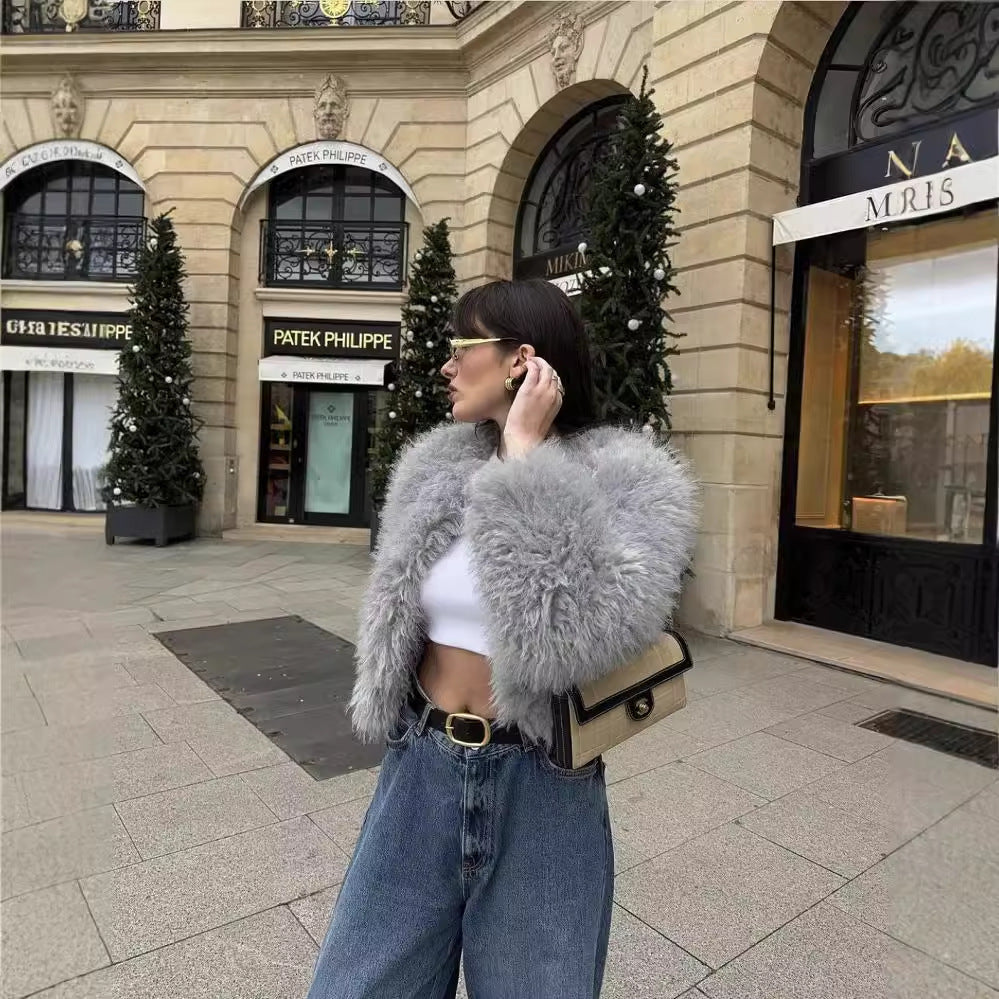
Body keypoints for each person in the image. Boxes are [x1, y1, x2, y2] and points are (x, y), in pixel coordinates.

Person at [308, 278, 699, 999]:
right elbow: (396, 615)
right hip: (419, 767)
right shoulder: (434, 468)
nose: (446, 366)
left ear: (520, 360)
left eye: (461, 347)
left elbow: (574, 636)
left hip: (543, 787)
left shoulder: (629, 478)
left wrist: (523, 461)